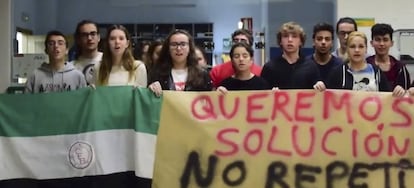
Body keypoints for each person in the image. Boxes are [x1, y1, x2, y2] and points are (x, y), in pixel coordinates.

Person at [326, 31, 407, 96]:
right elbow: (328, 97)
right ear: (347, 49)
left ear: (366, 49)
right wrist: (321, 87)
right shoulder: (338, 72)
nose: (357, 50)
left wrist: (399, 92)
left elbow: (388, 98)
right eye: (352, 46)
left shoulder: (376, 72)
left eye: (361, 46)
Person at [260, 21, 325, 91]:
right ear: (280, 41)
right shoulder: (269, 67)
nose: (290, 40)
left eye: (294, 36)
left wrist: (320, 86)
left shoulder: (311, 66)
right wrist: (271, 94)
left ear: (301, 41)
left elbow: (318, 95)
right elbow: (261, 94)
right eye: (285, 36)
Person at [148, 29, 212, 96]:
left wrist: (219, 92)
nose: (178, 48)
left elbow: (210, 99)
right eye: (174, 44)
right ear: (168, 48)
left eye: (183, 44)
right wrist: (150, 90)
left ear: (190, 48)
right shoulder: (157, 73)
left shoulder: (202, 74)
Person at [366, 23, 411, 90]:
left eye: (385, 40)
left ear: (391, 43)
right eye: (378, 40)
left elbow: (406, 93)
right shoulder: (366, 64)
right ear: (372, 43)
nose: (381, 44)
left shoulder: (400, 68)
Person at [71, 20, 102, 85]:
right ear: (78, 39)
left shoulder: (109, 61)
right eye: (84, 35)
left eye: (93, 34)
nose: (89, 38)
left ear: (98, 37)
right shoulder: (71, 67)